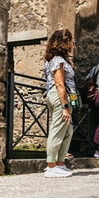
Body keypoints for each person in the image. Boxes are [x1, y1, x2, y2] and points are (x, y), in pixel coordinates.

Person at [43, 28, 76, 178]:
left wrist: (72, 103)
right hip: (59, 97)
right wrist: (65, 107)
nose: (73, 44)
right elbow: (60, 84)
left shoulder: (63, 60)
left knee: (68, 130)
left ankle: (60, 163)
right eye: (71, 41)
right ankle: (51, 165)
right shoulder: (57, 60)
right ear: (65, 42)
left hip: (66, 97)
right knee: (57, 129)